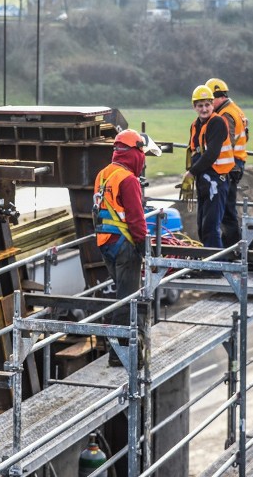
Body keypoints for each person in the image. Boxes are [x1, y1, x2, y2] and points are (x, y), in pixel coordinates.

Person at [94, 129, 157, 367]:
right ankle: (119, 354)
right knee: (128, 300)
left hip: (105, 243)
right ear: (135, 153)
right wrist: (144, 247)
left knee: (123, 295)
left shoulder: (103, 174)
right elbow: (136, 219)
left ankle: (127, 347)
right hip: (125, 246)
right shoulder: (128, 180)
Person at [182, 85, 234, 250]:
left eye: (207, 105)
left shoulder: (217, 122)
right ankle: (208, 262)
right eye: (200, 105)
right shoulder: (195, 125)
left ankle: (214, 267)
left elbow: (211, 154)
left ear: (212, 104)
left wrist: (190, 173)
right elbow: (195, 152)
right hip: (204, 180)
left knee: (211, 226)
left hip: (216, 181)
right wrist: (192, 175)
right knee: (202, 226)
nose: (204, 109)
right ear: (194, 107)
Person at [206, 78, 249, 249]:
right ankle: (233, 248)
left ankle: (233, 250)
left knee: (226, 211)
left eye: (210, 100)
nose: (208, 105)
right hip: (237, 162)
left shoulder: (225, 116)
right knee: (228, 209)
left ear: (218, 98)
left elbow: (225, 144)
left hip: (230, 165)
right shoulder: (236, 110)